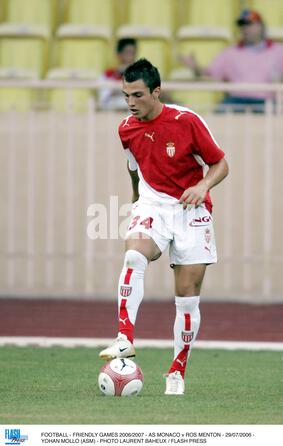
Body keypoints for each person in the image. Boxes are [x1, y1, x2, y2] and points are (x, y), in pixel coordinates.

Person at [99, 58, 229, 395]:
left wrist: (203, 186)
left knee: (186, 298)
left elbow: (220, 163)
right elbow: (133, 166)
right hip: (152, 205)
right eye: (126, 95)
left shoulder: (187, 121)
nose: (130, 102)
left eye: (138, 95)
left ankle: (176, 371)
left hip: (191, 209)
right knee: (133, 256)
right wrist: (135, 200)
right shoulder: (126, 128)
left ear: (157, 92)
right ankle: (124, 338)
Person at [179, 9, 283, 112]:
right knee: (218, 114)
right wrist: (195, 67)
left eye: (249, 23)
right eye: (242, 24)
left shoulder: (279, 51)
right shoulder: (230, 53)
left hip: (267, 102)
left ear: (261, 26)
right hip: (237, 100)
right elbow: (209, 73)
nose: (245, 28)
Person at [98, 38, 137, 110]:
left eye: (133, 53)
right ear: (119, 55)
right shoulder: (107, 75)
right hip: (113, 113)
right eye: (128, 53)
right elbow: (103, 101)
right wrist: (118, 75)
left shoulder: (142, 74)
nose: (131, 57)